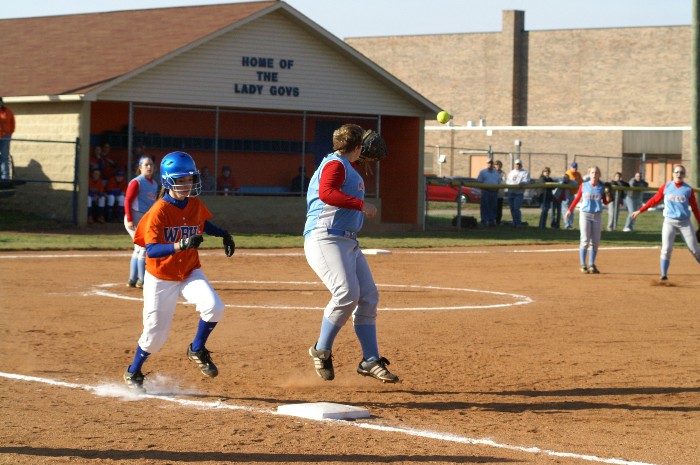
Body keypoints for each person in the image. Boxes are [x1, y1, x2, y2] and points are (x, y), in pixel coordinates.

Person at [122, 151, 236, 393]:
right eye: (180, 180)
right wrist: (180, 245)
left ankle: (197, 348)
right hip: (161, 276)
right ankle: (133, 371)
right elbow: (151, 250)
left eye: (190, 179)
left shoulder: (194, 203)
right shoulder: (159, 211)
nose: (187, 184)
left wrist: (223, 234)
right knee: (155, 336)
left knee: (215, 307)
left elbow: (203, 223)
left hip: (189, 270)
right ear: (167, 181)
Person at [305, 124, 398, 384]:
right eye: (362, 145)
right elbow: (327, 193)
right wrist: (361, 204)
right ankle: (321, 349)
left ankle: (370, 360)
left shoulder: (346, 166)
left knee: (368, 296)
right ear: (356, 147)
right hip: (326, 238)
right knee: (346, 294)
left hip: (347, 241)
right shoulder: (336, 164)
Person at [631, 165, 700, 281]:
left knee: (695, 249)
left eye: (681, 172)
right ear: (673, 174)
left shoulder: (688, 189)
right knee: (666, 249)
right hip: (669, 221)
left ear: (684, 175)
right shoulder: (667, 186)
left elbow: (695, 208)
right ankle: (664, 275)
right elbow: (654, 200)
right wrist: (640, 211)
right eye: (676, 172)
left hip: (684, 222)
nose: (679, 174)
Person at [565, 166, 611, 274]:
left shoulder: (601, 187)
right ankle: (583, 265)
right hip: (585, 214)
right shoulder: (584, 185)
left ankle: (591, 265)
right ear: (589, 174)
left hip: (597, 215)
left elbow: (605, 201)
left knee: (595, 241)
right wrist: (569, 210)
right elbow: (577, 198)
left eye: (596, 173)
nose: (594, 175)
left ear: (599, 175)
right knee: (585, 240)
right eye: (592, 172)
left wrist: (608, 194)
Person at [124, 155, 159, 288]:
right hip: (134, 217)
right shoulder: (136, 182)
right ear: (140, 167)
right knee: (143, 247)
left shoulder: (154, 184)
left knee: (138, 249)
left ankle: (133, 279)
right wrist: (130, 219)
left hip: (145, 219)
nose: (149, 167)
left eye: (151, 165)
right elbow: (127, 201)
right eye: (146, 165)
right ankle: (142, 280)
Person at [506, 159, 530, 227]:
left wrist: (522, 183)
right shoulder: (511, 172)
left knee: (516, 208)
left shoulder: (525, 172)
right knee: (512, 208)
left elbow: (526, 181)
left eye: (519, 164)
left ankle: (518, 223)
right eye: (516, 164)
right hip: (511, 192)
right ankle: (514, 222)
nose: (517, 165)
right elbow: (508, 181)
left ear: (521, 165)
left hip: (518, 193)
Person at [476, 159, 499, 226]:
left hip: (494, 191)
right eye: (488, 163)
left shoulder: (496, 172)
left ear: (493, 164)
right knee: (484, 206)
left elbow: (498, 182)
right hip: (485, 191)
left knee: (493, 207)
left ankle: (491, 221)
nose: (490, 164)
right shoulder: (482, 172)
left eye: (491, 163)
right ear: (486, 164)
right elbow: (479, 182)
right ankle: (484, 220)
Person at [563, 162, 584, 229]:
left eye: (575, 167)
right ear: (570, 167)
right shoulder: (568, 173)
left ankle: (570, 224)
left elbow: (581, 182)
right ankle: (567, 225)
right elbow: (571, 182)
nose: (574, 169)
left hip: (572, 194)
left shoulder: (578, 174)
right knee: (566, 209)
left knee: (571, 209)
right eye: (573, 167)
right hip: (566, 194)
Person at [0, 97, 16, 181]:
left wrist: (9, 133)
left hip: (5, 137)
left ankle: (5, 177)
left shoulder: (8, 111)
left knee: (4, 156)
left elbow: (12, 123)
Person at [494, 160, 506, 225]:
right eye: (496, 165)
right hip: (493, 193)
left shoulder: (503, 173)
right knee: (492, 208)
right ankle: (491, 220)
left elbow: (504, 182)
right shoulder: (492, 173)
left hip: (500, 194)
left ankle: (498, 221)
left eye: (499, 165)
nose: (497, 166)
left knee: (499, 208)